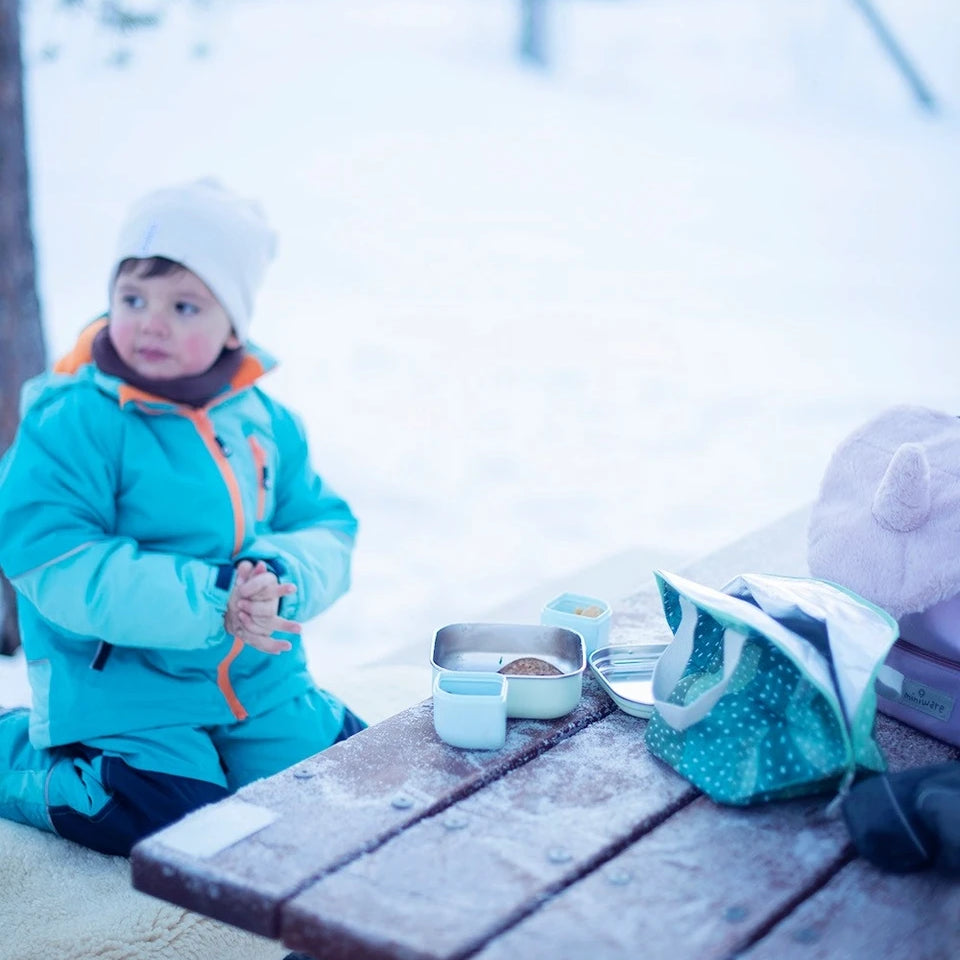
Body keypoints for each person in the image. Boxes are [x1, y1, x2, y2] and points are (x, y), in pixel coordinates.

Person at [0, 179, 364, 856]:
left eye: (185, 305)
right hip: (128, 689)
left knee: (333, 785)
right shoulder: (74, 418)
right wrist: (215, 598)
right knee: (173, 815)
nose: (150, 322)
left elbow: (326, 523)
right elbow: (52, 554)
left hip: (258, 679)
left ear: (234, 324)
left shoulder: (263, 420)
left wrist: (280, 576)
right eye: (132, 298)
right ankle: (16, 756)